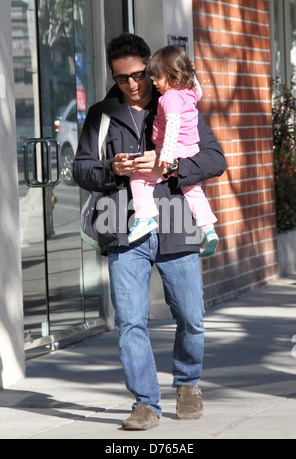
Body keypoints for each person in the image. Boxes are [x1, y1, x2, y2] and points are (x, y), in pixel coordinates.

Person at [73, 33, 226, 431]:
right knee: (131, 322)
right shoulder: (101, 115)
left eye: (140, 75)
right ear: (113, 76)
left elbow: (214, 158)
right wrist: (113, 169)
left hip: (176, 225)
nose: (134, 85)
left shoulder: (174, 99)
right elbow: (81, 169)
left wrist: (173, 166)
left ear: (149, 66)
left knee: (191, 316)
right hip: (126, 230)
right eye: (123, 79)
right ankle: (145, 403)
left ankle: (188, 383)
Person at [129, 45, 219, 258]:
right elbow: (200, 89)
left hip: (173, 147)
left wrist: (166, 156)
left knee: (139, 177)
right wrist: (191, 73)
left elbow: (172, 124)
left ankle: (144, 218)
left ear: (172, 76)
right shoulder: (191, 93)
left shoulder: (169, 98)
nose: (154, 82)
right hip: (191, 148)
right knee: (193, 191)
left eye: (158, 77)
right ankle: (208, 229)